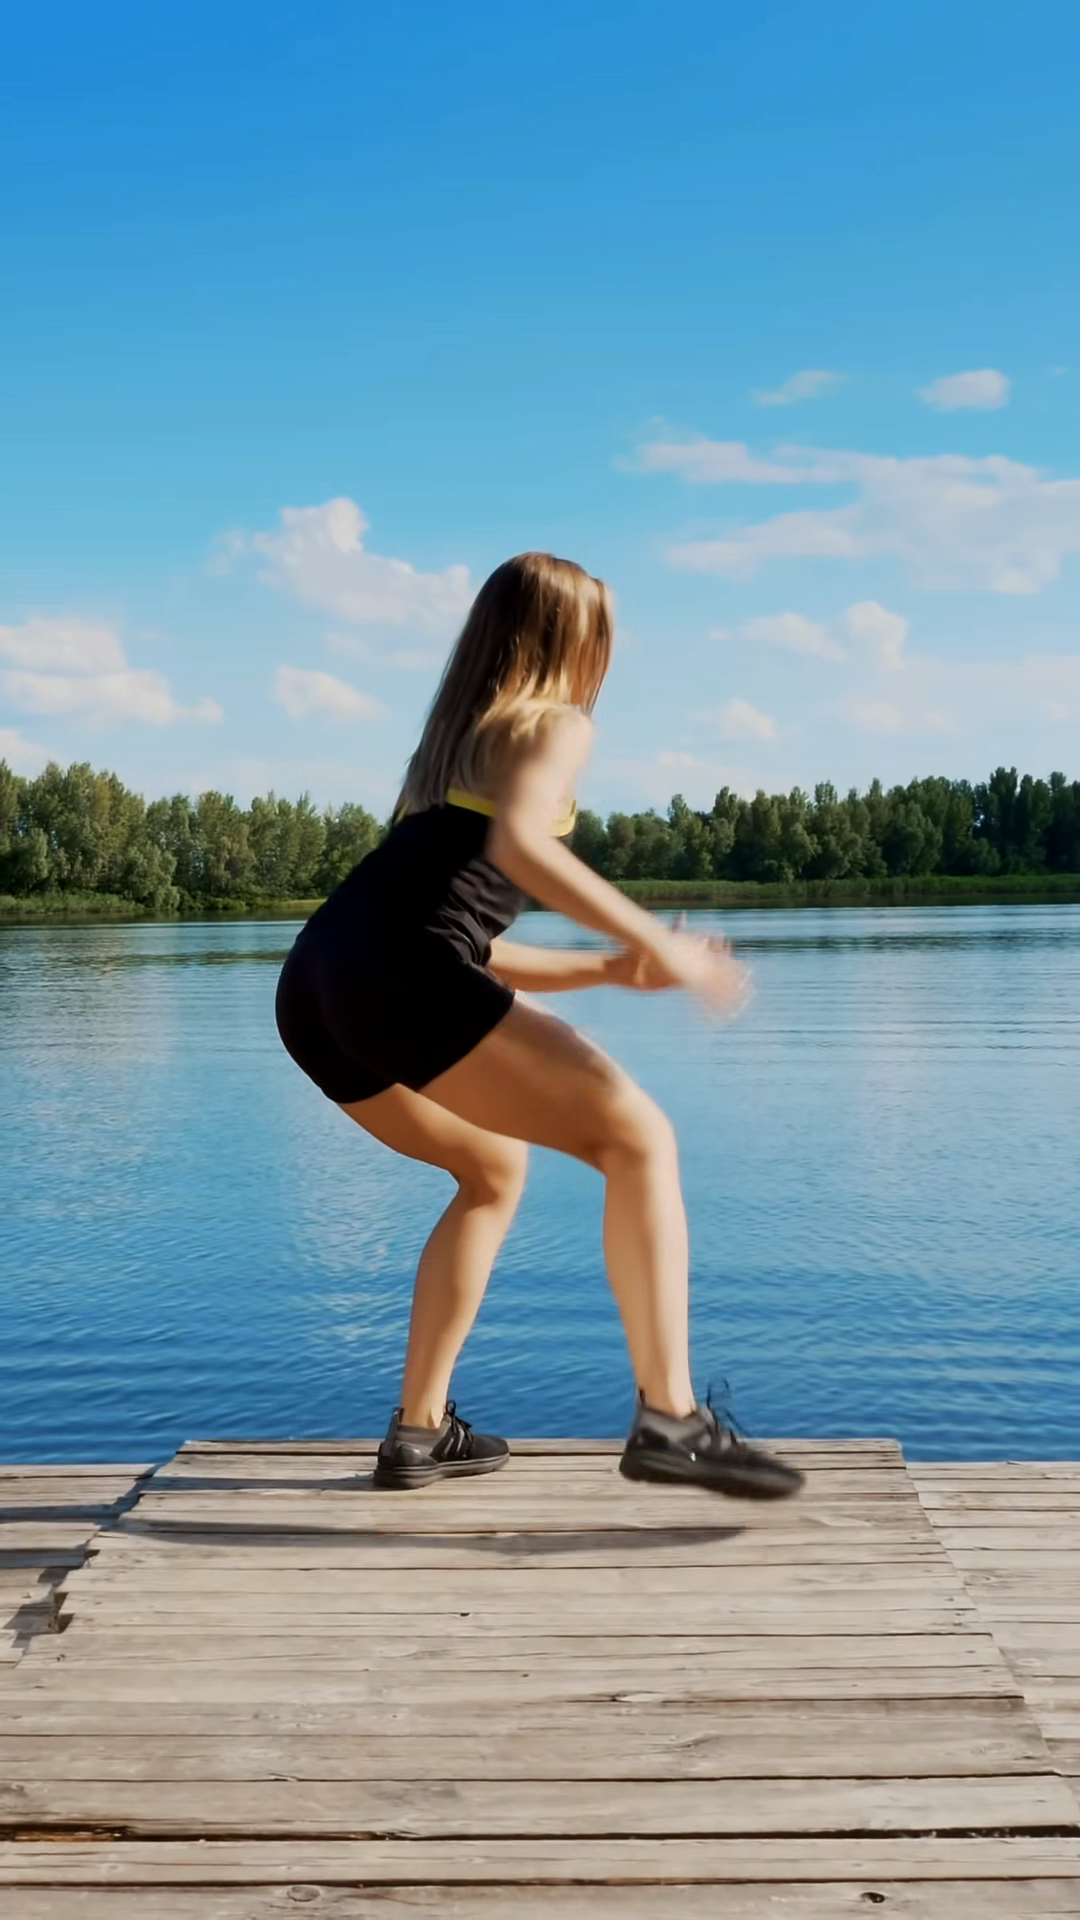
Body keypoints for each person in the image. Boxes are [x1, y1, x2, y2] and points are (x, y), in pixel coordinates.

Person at [275, 552, 802, 1501]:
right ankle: (672, 1419)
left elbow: (450, 934)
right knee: (639, 1139)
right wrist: (659, 942)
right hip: (391, 975)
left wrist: (608, 969)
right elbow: (516, 853)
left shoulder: (448, 751)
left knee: (490, 1171)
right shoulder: (554, 725)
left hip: (318, 985)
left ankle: (419, 1431)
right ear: (578, 642)